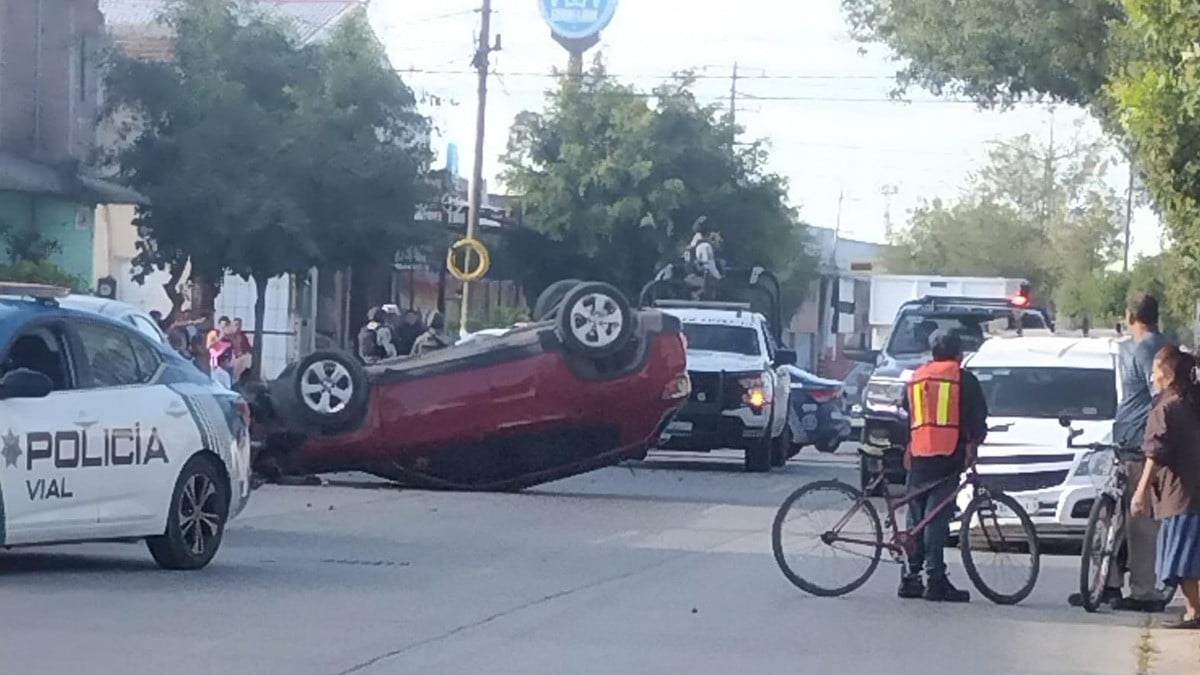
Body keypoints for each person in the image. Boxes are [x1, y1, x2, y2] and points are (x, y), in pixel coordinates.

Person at [1070, 293, 1169, 611]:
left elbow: (1159, 396)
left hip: (1141, 443)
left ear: (1130, 316)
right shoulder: (1138, 346)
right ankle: (1108, 584)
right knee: (1114, 516)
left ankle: (1143, 591)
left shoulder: (1148, 349)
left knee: (1139, 518)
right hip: (1126, 440)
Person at [898, 330, 989, 603]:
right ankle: (935, 580)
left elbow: (909, 413)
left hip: (919, 453)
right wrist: (973, 443)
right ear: (959, 352)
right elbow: (976, 416)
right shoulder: (963, 378)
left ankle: (910, 577)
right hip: (948, 455)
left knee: (917, 518)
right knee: (936, 519)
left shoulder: (918, 376)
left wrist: (908, 445)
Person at [1131, 344, 1200, 628]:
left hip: (1181, 495)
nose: (1152, 376)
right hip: (1192, 491)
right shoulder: (1192, 401)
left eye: (1156, 370)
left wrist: (1140, 491)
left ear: (1168, 374)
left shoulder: (1167, 407)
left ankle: (1195, 612)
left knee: (1183, 559)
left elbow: (1154, 454)